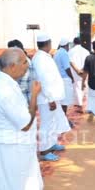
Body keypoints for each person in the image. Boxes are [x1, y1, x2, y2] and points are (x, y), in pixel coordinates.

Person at [0, 48, 43, 190]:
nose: (27, 65)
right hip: (12, 149)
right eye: (24, 62)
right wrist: (34, 96)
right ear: (12, 66)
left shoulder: (6, 83)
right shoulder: (4, 89)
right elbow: (25, 124)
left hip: (15, 147)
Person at [32, 34, 71, 162]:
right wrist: (50, 99)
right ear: (48, 43)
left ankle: (51, 144)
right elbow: (43, 81)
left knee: (53, 122)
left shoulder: (44, 57)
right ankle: (44, 150)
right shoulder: (40, 59)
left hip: (52, 96)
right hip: (47, 98)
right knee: (46, 124)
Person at [54, 37, 75, 115]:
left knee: (61, 101)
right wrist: (72, 77)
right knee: (65, 101)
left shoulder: (57, 52)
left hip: (58, 79)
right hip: (65, 80)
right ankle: (64, 118)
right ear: (67, 45)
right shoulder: (64, 53)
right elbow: (67, 68)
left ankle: (62, 118)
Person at [68, 37, 90, 112]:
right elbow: (88, 62)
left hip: (75, 73)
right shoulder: (86, 51)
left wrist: (78, 71)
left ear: (74, 43)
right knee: (85, 88)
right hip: (85, 72)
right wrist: (83, 71)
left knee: (77, 89)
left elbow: (71, 62)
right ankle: (86, 106)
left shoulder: (71, 51)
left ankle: (80, 106)